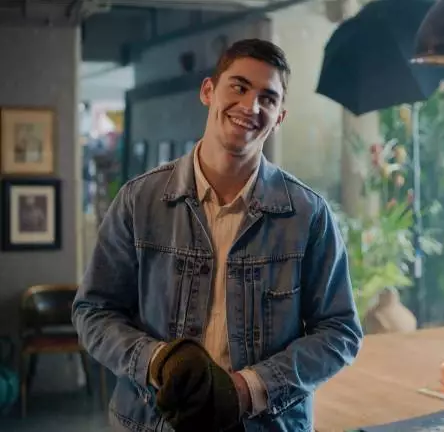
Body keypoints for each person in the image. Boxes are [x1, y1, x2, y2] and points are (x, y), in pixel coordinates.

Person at [72, 39, 363, 432]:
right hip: (152, 423)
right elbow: (93, 312)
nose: (251, 107)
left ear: (279, 117)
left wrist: (248, 388)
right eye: (239, 87)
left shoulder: (308, 215)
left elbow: (340, 331)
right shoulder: (139, 201)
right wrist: (159, 361)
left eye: (267, 98)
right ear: (208, 91)